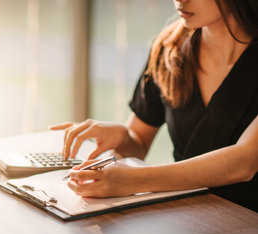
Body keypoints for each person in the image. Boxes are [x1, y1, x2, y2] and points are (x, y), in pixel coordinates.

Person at [50, 0, 258, 212]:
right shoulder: (169, 48)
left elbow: (245, 162)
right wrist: (123, 137)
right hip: (187, 215)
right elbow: (139, 142)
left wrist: (136, 180)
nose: (180, 0)